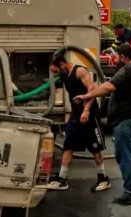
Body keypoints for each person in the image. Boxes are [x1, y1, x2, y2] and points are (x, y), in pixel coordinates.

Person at [74, 43, 131, 206]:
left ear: (123, 57)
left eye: (117, 56)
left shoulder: (127, 70)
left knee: (127, 157)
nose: (116, 59)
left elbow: (108, 87)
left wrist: (87, 96)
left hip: (127, 119)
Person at [47, 49, 111, 193]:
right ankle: (62, 179)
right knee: (68, 144)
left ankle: (103, 178)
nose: (55, 74)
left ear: (62, 64)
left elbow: (92, 90)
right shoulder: (65, 76)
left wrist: (86, 110)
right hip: (76, 115)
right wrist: (72, 116)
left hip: (90, 114)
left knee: (95, 148)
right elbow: (73, 98)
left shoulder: (80, 71)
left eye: (55, 71)